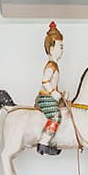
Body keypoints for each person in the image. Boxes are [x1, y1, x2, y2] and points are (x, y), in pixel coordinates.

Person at [34, 22, 65, 155]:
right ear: (51, 49)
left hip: (51, 95)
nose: (62, 50)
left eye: (63, 47)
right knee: (56, 116)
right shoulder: (51, 66)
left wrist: (61, 94)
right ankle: (44, 143)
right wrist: (53, 93)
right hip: (45, 97)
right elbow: (45, 81)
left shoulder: (55, 65)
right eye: (60, 47)